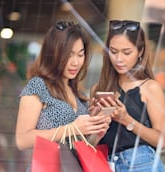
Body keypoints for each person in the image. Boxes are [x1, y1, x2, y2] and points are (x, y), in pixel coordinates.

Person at [15, 21, 111, 169]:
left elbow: (78, 150)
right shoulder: (38, 85)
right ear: (53, 53)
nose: (76, 62)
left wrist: (96, 134)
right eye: (69, 55)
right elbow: (22, 140)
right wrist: (72, 128)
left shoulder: (79, 94)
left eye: (80, 54)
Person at [90, 20, 165, 172]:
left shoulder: (150, 88)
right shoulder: (99, 89)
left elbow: (162, 141)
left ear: (140, 52)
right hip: (104, 163)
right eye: (113, 51)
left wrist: (127, 121)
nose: (119, 59)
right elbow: (92, 143)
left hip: (141, 164)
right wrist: (96, 124)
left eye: (126, 52)